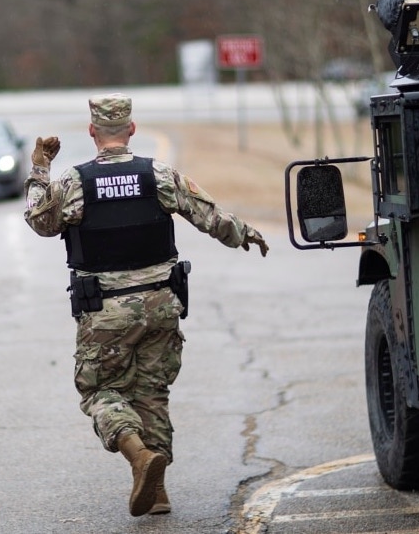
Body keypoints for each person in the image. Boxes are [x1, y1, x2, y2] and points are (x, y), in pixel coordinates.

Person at [23, 93, 269, 517]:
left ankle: (140, 458)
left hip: (106, 312)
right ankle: (157, 493)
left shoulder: (75, 182)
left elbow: (39, 220)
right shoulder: (158, 175)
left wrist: (40, 168)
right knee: (152, 393)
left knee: (100, 391)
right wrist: (247, 234)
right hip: (161, 305)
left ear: (92, 132)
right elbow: (209, 215)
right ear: (132, 129)